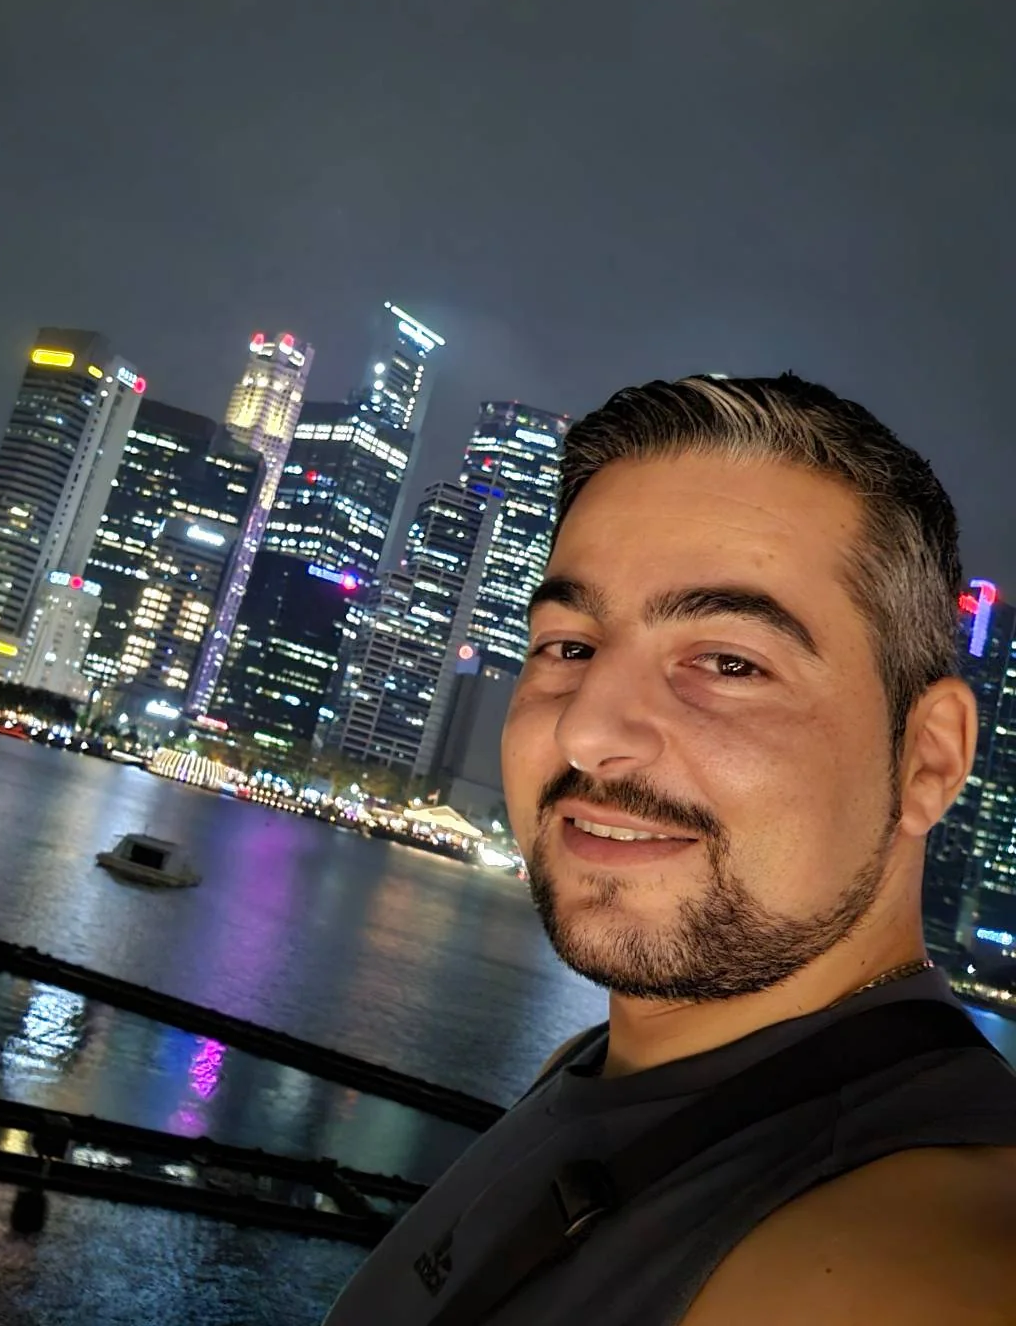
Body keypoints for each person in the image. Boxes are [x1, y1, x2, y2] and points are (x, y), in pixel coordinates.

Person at [323, 373, 1016, 1325]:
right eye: (568, 645)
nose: (587, 732)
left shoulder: (909, 1264)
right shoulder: (596, 1067)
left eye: (729, 663)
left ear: (927, 759)